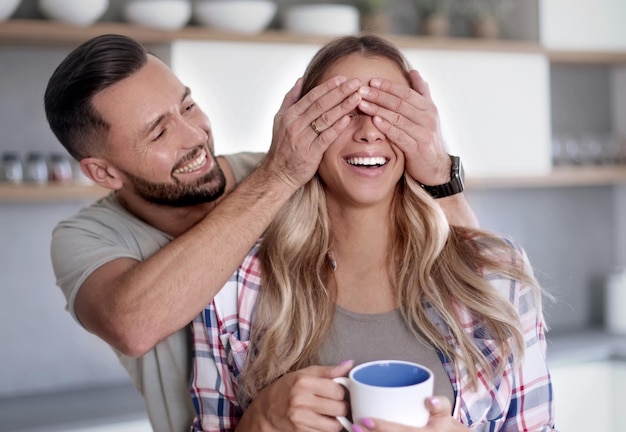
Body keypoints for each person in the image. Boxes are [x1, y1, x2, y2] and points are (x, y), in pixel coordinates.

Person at [44, 34, 478, 432]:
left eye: (189, 106)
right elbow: (133, 325)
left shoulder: (301, 171)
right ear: (103, 172)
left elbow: (480, 290)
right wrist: (279, 175)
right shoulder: (86, 236)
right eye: (159, 131)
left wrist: (439, 172)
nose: (196, 136)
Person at [190, 35, 556, 432]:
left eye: (389, 112)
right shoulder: (232, 285)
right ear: (302, 130)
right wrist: (259, 420)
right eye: (342, 111)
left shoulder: (497, 270)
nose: (368, 132)